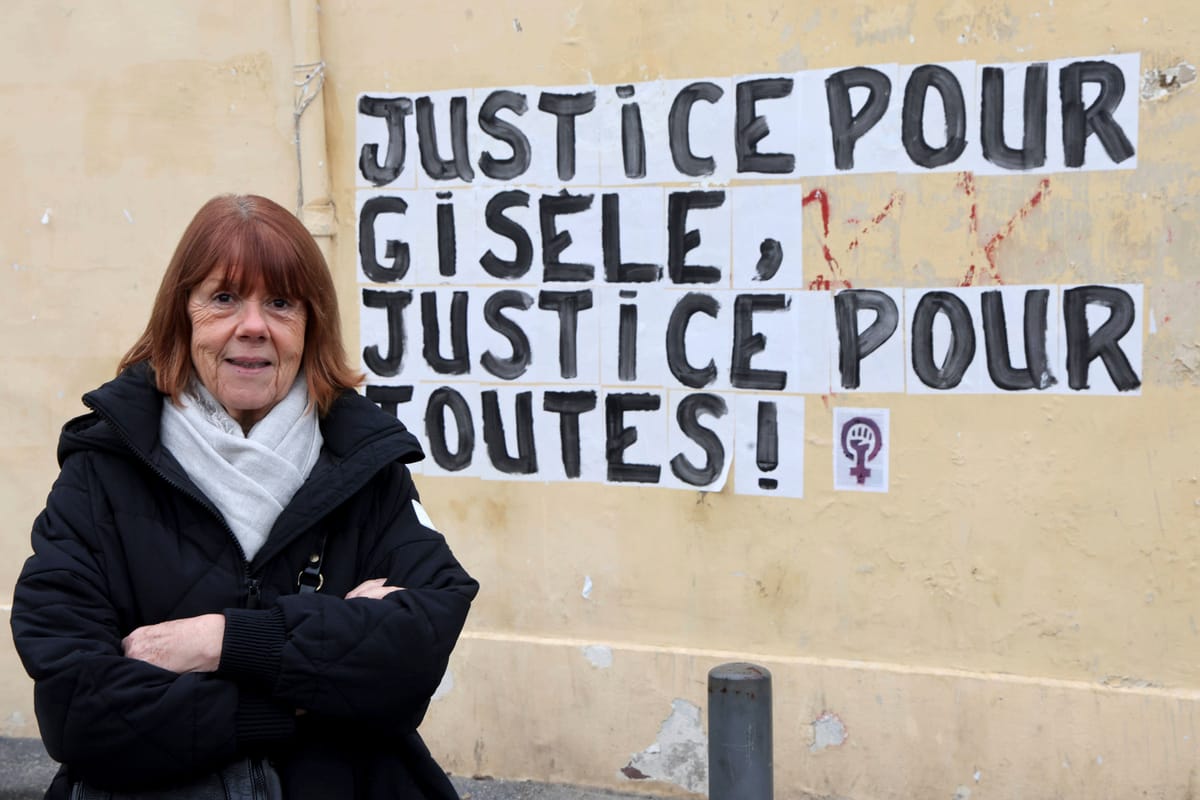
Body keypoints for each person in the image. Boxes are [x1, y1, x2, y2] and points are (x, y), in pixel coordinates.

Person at [10, 194, 478, 799]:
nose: (253, 326)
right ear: (182, 315)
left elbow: (416, 652)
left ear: (310, 326)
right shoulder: (103, 469)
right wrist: (306, 693)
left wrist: (219, 641)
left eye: (281, 303)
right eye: (225, 298)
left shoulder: (365, 463)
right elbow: (79, 710)